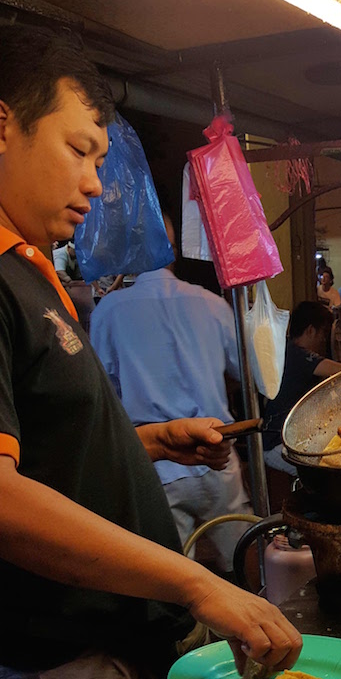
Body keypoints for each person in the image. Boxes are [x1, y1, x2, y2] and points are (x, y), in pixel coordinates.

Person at [0, 26, 301, 679]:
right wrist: (198, 582)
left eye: (101, 159)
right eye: (79, 150)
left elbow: (39, 452)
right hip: (57, 671)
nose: (97, 184)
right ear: (2, 126)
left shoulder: (27, 274)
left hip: (104, 652)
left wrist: (148, 443)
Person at [90, 214, 251, 574]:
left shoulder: (110, 312)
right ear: (173, 250)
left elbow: (104, 392)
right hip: (217, 453)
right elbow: (245, 372)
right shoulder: (212, 303)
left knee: (176, 584)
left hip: (157, 467)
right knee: (244, 568)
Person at [262, 299, 341, 475]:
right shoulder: (294, 353)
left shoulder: (286, 349)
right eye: (323, 333)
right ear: (310, 330)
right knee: (326, 473)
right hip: (276, 444)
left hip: (290, 440)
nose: (324, 339)